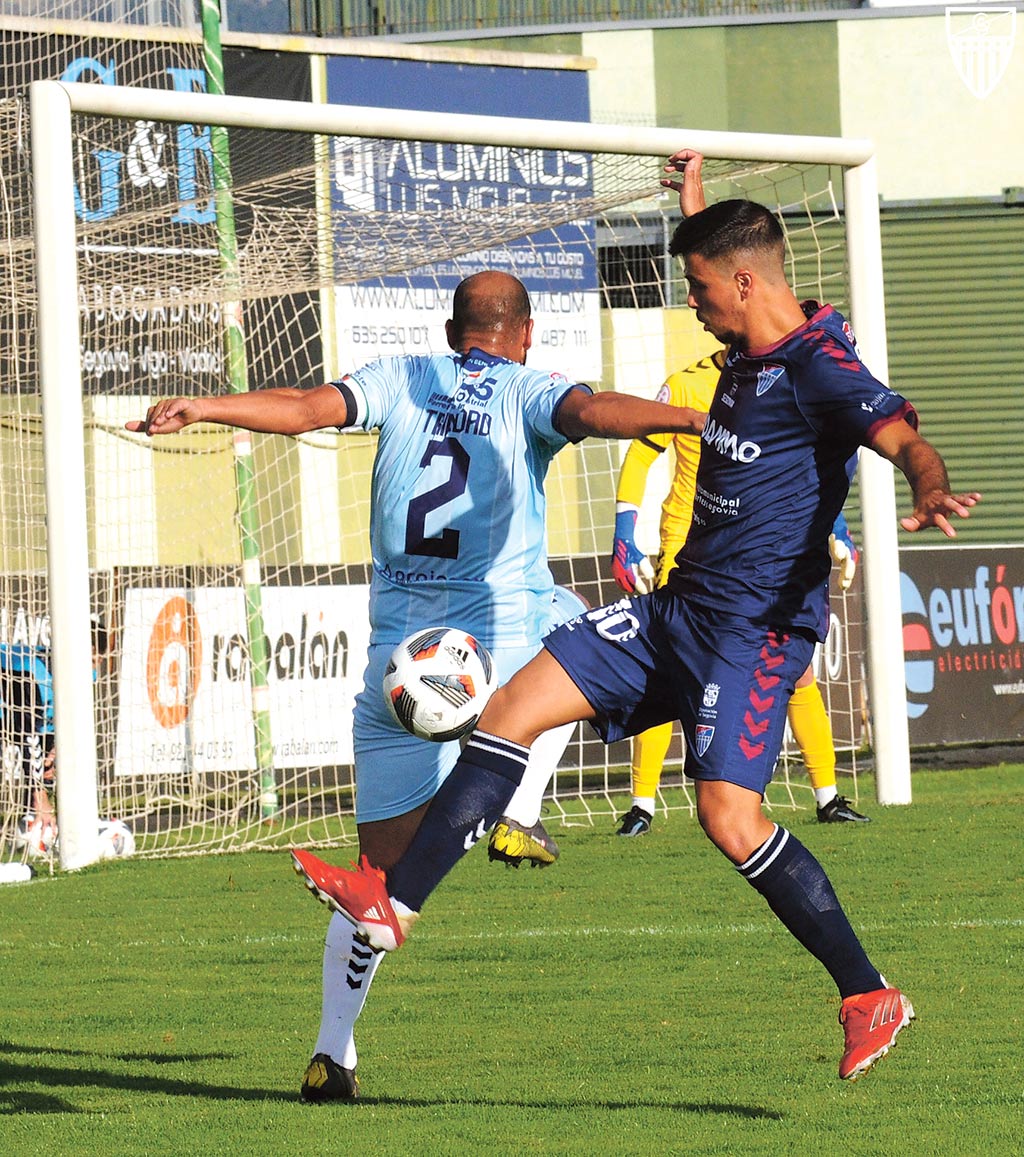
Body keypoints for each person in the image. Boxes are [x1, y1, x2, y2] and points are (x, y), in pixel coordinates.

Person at [290, 163, 981, 1084]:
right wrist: (690, 202)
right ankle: (393, 904)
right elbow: (735, 263)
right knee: (512, 707)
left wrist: (928, 485)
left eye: (699, 290)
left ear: (742, 285)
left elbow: (899, 433)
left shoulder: (821, 364)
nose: (692, 307)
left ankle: (865, 990)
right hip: (673, 609)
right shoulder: (746, 333)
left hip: (753, 633)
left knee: (728, 816)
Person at [128, 269, 706, 1101]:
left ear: (449, 331)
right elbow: (591, 412)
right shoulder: (526, 387)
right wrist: (690, 417)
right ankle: (519, 802)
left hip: (400, 666)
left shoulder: (400, 376)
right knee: (580, 622)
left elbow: (300, 407)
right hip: (498, 643)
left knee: (376, 884)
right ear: (527, 333)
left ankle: (333, 1052)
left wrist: (204, 406)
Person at [610, 352, 869, 834]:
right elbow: (643, 453)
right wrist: (625, 529)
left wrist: (837, 525)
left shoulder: (787, 383)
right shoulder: (687, 385)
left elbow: (806, 468)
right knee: (664, 671)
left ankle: (828, 796)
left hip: (761, 553)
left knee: (792, 669)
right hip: (688, 551)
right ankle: (642, 805)